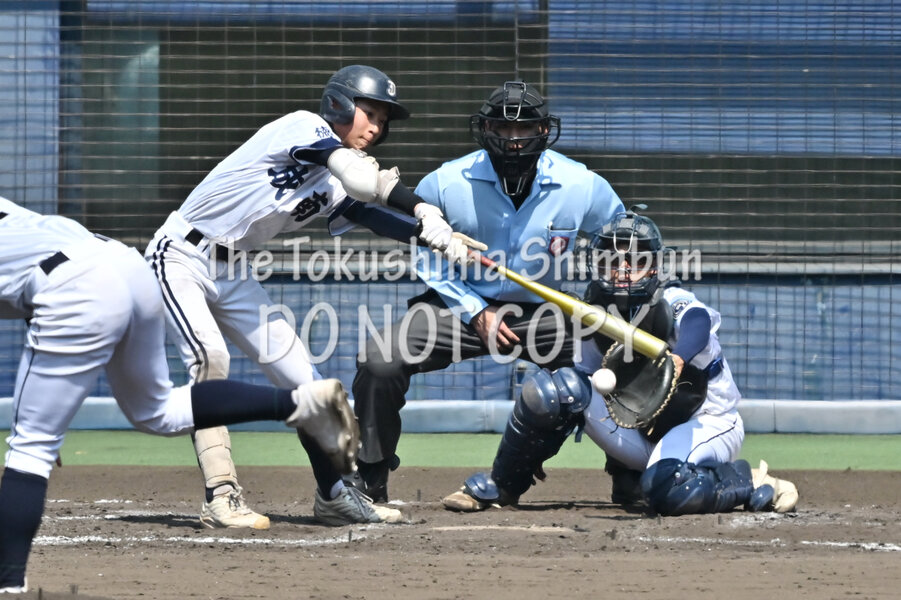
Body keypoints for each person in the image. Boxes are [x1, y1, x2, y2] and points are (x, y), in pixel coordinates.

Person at [145, 65, 483, 529]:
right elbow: (362, 180)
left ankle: (334, 496)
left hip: (234, 271)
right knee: (209, 359)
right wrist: (423, 208)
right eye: (370, 113)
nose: (376, 127)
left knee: (309, 384)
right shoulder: (304, 126)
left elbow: (367, 213)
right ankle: (220, 495)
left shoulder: (332, 180)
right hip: (181, 254)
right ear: (340, 105)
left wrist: (434, 237)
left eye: (383, 121)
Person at [0, 197, 360, 594]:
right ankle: (303, 403)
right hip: (125, 266)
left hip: (73, 285)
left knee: (31, 449)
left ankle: (8, 587)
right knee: (158, 411)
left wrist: (42, 414)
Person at [348, 80, 625, 502]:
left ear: (544, 130)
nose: (514, 139)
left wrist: (605, 294)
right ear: (486, 128)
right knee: (380, 360)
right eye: (503, 128)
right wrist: (475, 310)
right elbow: (427, 259)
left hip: (543, 313)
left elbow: (621, 240)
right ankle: (370, 475)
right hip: (457, 306)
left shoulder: (581, 184)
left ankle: (629, 474)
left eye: (524, 128)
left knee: (621, 357)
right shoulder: (446, 181)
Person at [442, 210, 798, 515]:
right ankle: (503, 484)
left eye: (635, 260)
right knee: (555, 390)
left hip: (706, 421)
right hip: (640, 430)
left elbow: (697, 324)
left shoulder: (672, 299)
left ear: (654, 266)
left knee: (668, 489)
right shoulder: (593, 312)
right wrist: (545, 435)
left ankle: (746, 479)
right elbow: (583, 384)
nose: (623, 269)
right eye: (611, 260)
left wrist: (677, 358)